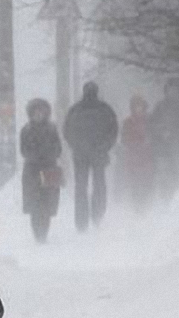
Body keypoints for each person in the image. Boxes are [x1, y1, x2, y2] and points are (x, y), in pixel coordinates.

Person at [62, 82, 118, 232]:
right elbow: (113, 131)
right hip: (94, 153)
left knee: (83, 187)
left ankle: (83, 221)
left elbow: (67, 132)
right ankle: (96, 216)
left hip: (83, 154)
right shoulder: (104, 109)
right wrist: (104, 147)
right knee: (97, 185)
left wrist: (78, 146)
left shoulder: (76, 110)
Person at [20, 98, 63, 242]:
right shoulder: (26, 130)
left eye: (41, 112)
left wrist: (49, 157)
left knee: (47, 203)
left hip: (49, 170)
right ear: (31, 113)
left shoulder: (52, 129)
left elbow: (58, 148)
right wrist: (35, 158)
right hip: (31, 171)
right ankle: (37, 233)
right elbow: (23, 150)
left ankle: (44, 232)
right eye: (35, 112)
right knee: (34, 204)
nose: (38, 115)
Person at [148, 78, 179, 202]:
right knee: (166, 179)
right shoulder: (160, 106)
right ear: (166, 91)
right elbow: (152, 125)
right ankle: (166, 205)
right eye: (169, 89)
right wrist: (161, 132)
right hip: (165, 150)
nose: (172, 92)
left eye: (175, 89)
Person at [119, 95, 154, 212]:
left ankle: (146, 205)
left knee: (147, 181)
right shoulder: (128, 122)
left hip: (147, 157)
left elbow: (155, 136)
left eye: (140, 106)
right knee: (135, 183)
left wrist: (149, 142)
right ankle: (137, 206)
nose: (138, 109)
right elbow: (124, 139)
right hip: (133, 157)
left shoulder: (150, 121)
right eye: (136, 106)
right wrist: (135, 144)